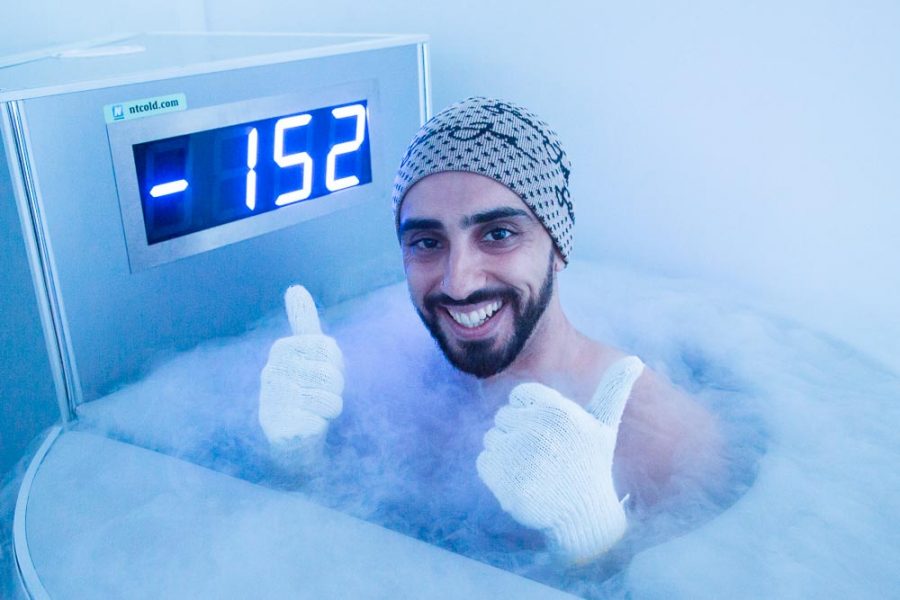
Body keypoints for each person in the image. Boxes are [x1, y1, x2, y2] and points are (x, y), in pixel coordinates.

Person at [258, 97, 720, 565]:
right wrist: (297, 455)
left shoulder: (667, 437)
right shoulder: (388, 391)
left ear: (558, 247)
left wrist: (594, 536)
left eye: (498, 234)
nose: (458, 281)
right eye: (427, 242)